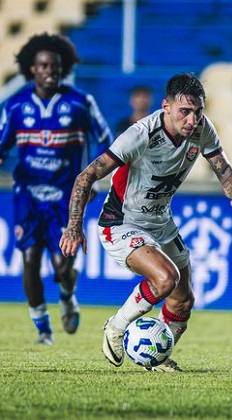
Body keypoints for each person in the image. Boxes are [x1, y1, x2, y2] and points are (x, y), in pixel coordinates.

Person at [59, 72, 232, 372]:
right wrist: (74, 226)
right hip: (122, 223)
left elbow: (222, 167)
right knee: (165, 278)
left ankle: (157, 356)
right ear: (166, 106)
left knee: (183, 302)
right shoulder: (140, 134)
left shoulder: (202, 129)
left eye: (198, 112)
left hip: (161, 222)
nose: (192, 120)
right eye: (184, 112)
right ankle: (116, 326)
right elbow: (86, 176)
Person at [0, 33, 112, 345]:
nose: (51, 71)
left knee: (63, 265)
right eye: (44, 66)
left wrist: (94, 181)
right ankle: (42, 328)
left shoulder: (80, 102)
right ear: (31, 69)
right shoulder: (16, 106)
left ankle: (67, 294)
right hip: (28, 196)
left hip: (66, 196)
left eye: (56, 66)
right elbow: (2, 144)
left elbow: (107, 143)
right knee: (30, 259)